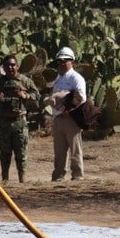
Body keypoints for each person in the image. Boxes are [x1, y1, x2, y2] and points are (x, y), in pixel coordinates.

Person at [0, 54, 39, 183]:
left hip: (20, 122)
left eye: (13, 65)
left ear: (17, 66)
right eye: (7, 65)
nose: (10, 68)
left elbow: (37, 95)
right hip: (3, 123)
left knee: (21, 154)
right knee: (4, 155)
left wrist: (25, 95)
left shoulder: (25, 81)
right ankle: (5, 180)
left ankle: (22, 180)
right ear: (3, 67)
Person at [48, 46, 87, 181]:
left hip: (71, 118)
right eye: (59, 61)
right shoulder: (58, 78)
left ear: (72, 61)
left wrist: (68, 111)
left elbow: (81, 97)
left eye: (65, 60)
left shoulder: (76, 78)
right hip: (58, 118)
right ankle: (58, 175)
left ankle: (77, 175)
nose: (61, 63)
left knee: (75, 149)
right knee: (59, 150)